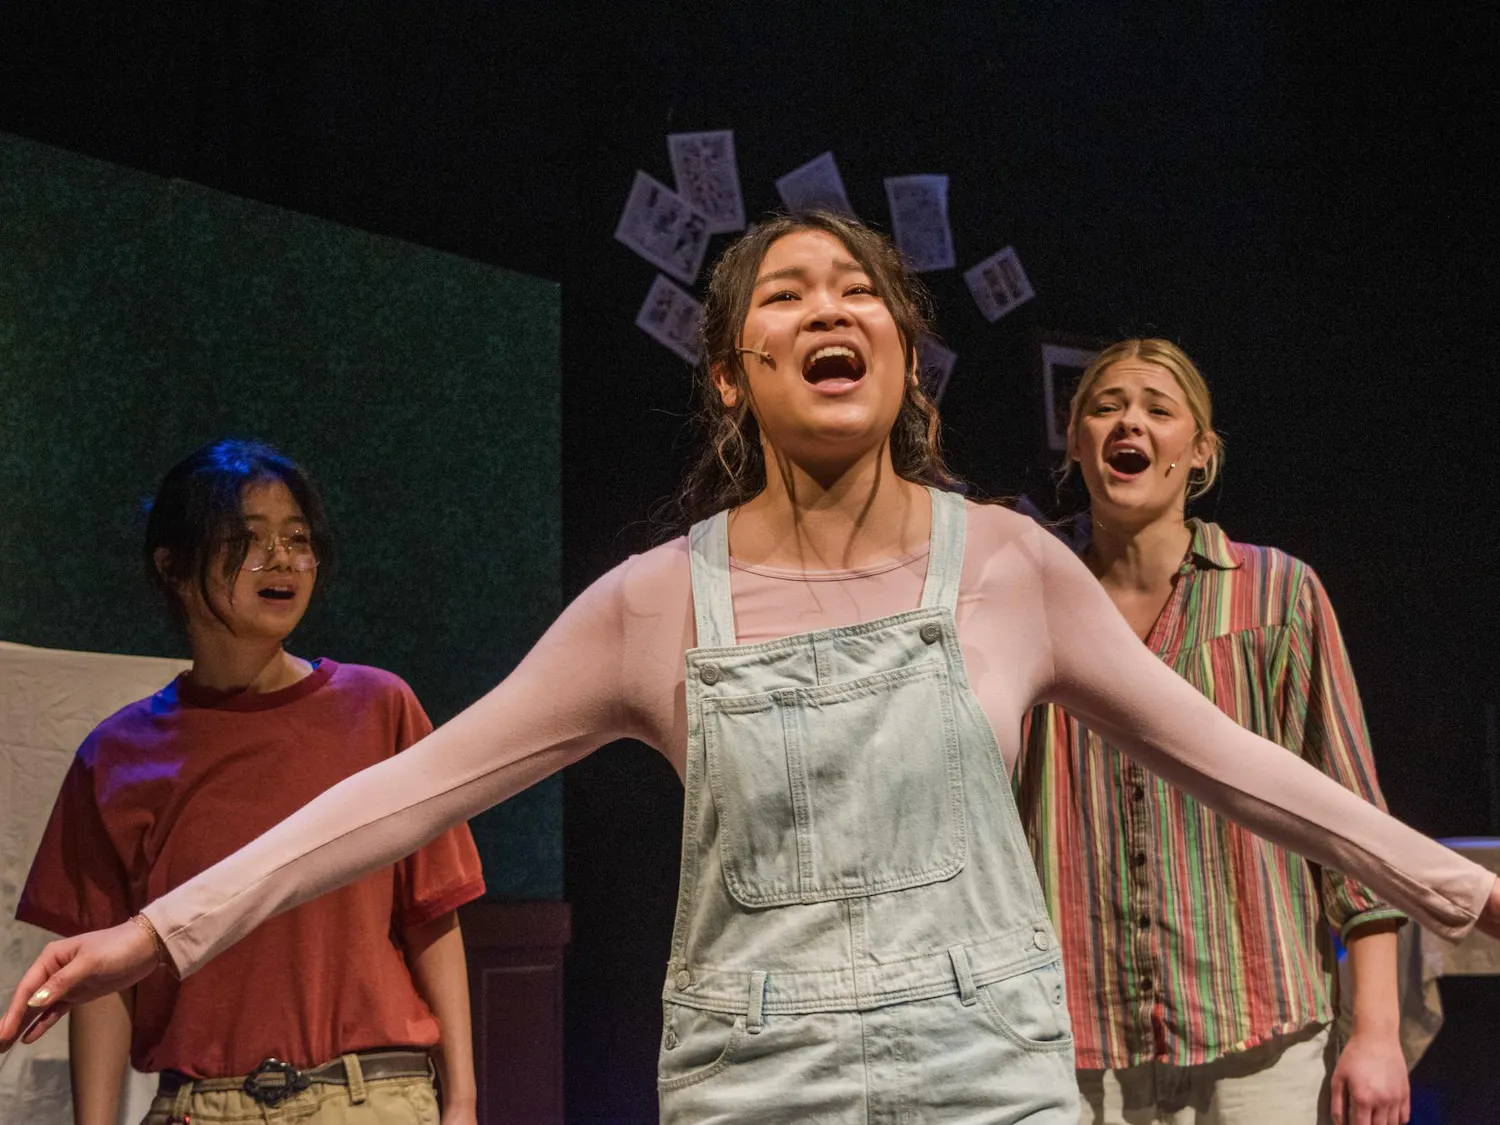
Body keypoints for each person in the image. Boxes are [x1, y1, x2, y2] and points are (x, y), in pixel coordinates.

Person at [3, 216, 1497, 1125]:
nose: (826, 309)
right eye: (784, 295)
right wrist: (162, 935)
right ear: (731, 373)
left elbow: (1228, 756)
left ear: (905, 354)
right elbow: (408, 789)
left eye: (858, 291)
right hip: (754, 1078)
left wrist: (1450, 886)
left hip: (990, 1068)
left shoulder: (1009, 567)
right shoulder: (655, 605)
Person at [13, 440, 485, 1125]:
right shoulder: (115, 754)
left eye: (298, 538)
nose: (283, 558)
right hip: (201, 1107)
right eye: (245, 539)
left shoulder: (379, 708)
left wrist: (462, 1102)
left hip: (371, 1097)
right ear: (172, 565)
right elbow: (102, 979)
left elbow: (432, 915)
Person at [1015, 339, 1412, 1125]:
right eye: (1106, 405)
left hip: (1259, 1042)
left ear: (1199, 452)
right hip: (1071, 1047)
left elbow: (1355, 825)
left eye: (1158, 408)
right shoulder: (1025, 601)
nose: (1130, 420)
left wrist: (1377, 1033)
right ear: (1077, 438)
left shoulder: (1275, 594)